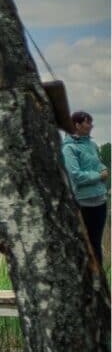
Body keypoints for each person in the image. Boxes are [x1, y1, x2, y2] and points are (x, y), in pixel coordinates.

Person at [62, 111, 109, 265]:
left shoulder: (92, 145)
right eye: (87, 123)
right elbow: (75, 175)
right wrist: (98, 176)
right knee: (86, 244)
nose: (91, 126)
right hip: (83, 203)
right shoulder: (69, 148)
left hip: (100, 201)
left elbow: (97, 163)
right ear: (77, 125)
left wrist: (103, 168)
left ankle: (98, 276)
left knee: (96, 243)